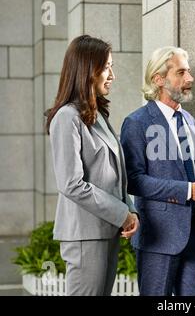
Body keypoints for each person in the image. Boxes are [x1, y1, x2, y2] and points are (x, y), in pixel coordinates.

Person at [120, 46, 195, 296]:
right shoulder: (136, 123)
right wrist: (191, 191)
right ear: (159, 79)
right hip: (158, 237)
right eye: (181, 73)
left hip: (193, 234)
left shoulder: (188, 120)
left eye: (188, 72)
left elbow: (192, 168)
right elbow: (133, 181)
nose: (190, 79)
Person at [45, 35, 140, 296]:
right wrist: (122, 213)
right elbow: (71, 184)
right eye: (107, 67)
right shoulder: (67, 118)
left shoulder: (96, 115)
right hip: (85, 235)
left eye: (112, 66)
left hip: (104, 230)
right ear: (88, 70)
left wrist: (129, 211)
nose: (112, 75)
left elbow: (115, 175)